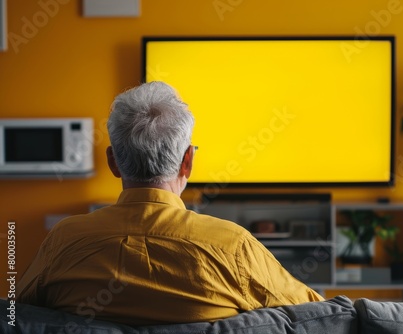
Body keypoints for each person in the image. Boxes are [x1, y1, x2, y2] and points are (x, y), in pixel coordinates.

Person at [17, 81, 323, 325]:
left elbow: (16, 317)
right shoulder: (233, 247)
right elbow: (322, 317)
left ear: (113, 162)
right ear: (188, 161)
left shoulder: (64, 240)